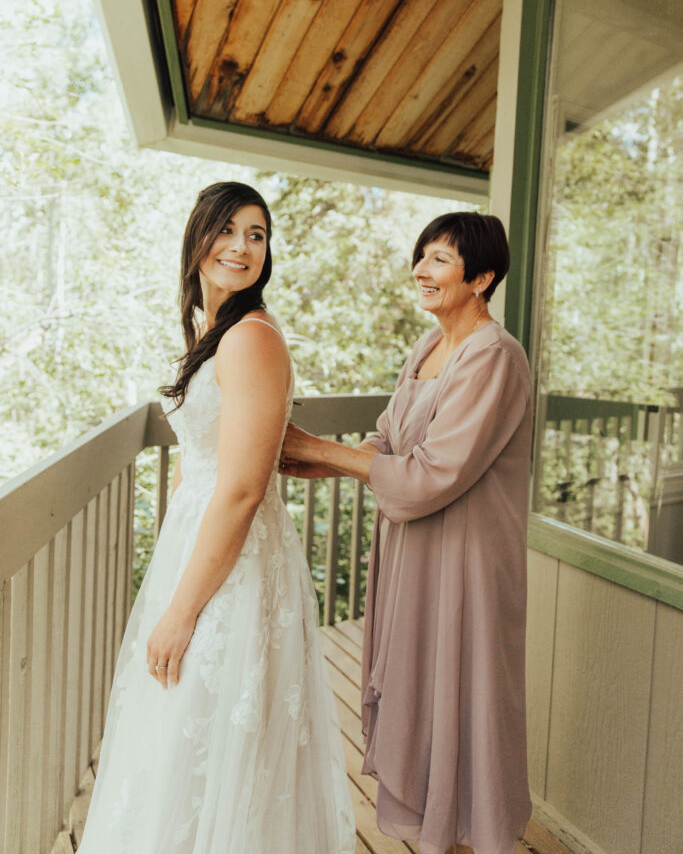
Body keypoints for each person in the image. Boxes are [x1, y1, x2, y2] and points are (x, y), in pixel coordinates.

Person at [78, 181, 355, 854]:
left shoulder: (251, 338)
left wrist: (181, 610)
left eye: (255, 235)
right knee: (181, 733)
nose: (240, 246)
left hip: (234, 563)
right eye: (227, 230)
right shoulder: (214, 332)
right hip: (196, 546)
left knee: (208, 729)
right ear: (198, 237)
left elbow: (241, 489)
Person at [280, 212, 532, 854]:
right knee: (419, 691)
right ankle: (435, 832)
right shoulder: (427, 348)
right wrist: (323, 459)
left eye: (441, 259)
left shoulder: (495, 356)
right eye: (421, 255)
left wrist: (324, 449)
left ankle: (473, 835)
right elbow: (391, 440)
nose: (421, 269)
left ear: (483, 277)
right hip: (414, 552)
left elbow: (427, 476)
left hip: (467, 562)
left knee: (463, 694)